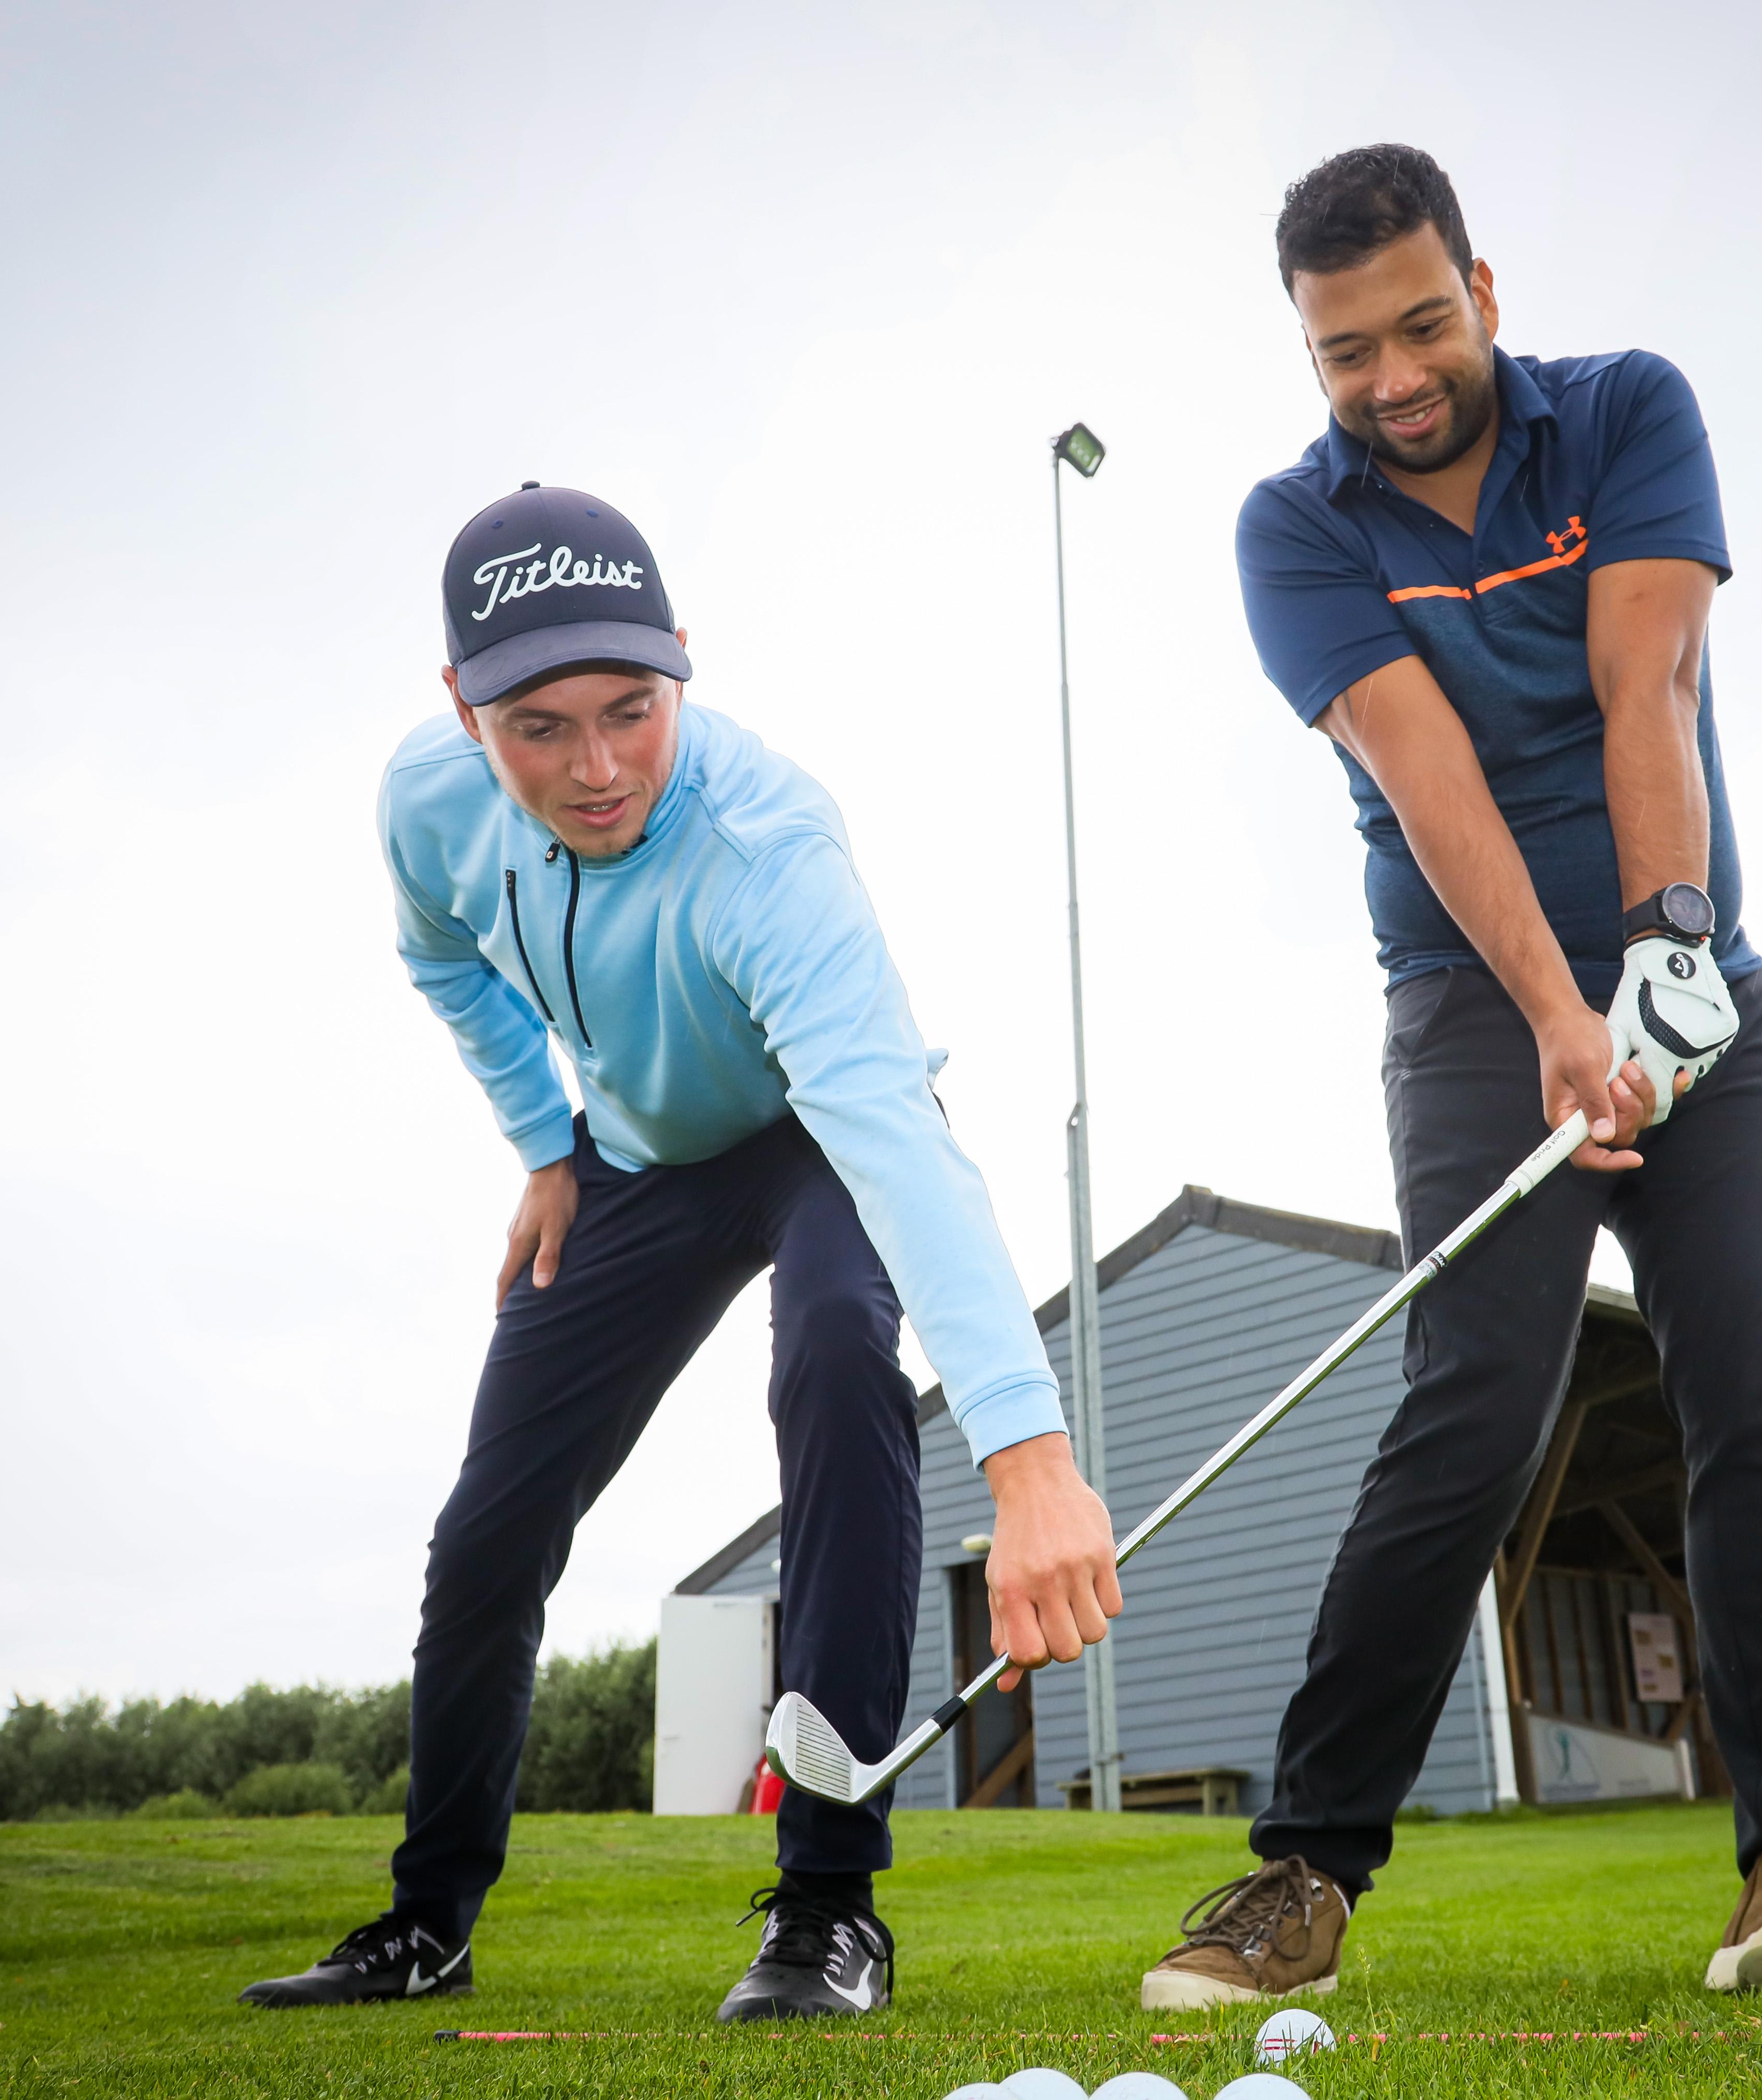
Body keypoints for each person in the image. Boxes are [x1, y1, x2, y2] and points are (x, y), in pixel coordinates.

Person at [1136, 147, 1762, 2009]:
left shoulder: (1629, 411)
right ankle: (1303, 1874)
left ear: (1482, 283)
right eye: (1344, 354)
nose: (1392, 376)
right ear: (1304, 352)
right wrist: (1569, 1018)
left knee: (1755, 1396)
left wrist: (1659, 958)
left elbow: (1646, 684)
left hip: (1696, 978)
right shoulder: (1292, 528)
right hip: (1481, 1008)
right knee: (1474, 1406)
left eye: (1420, 324)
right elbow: (1427, 777)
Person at [242, 483, 1122, 2022]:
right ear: (463, 712)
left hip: (815, 1138)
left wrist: (1030, 1452)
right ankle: (425, 1920)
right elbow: (442, 956)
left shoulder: (768, 844)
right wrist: (540, 1143)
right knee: (489, 1527)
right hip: (634, 1167)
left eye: (631, 711)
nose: (596, 770)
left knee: (839, 1352)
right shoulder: (426, 800)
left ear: (683, 668)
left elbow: (896, 1141)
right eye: (539, 728)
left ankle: (830, 1907)